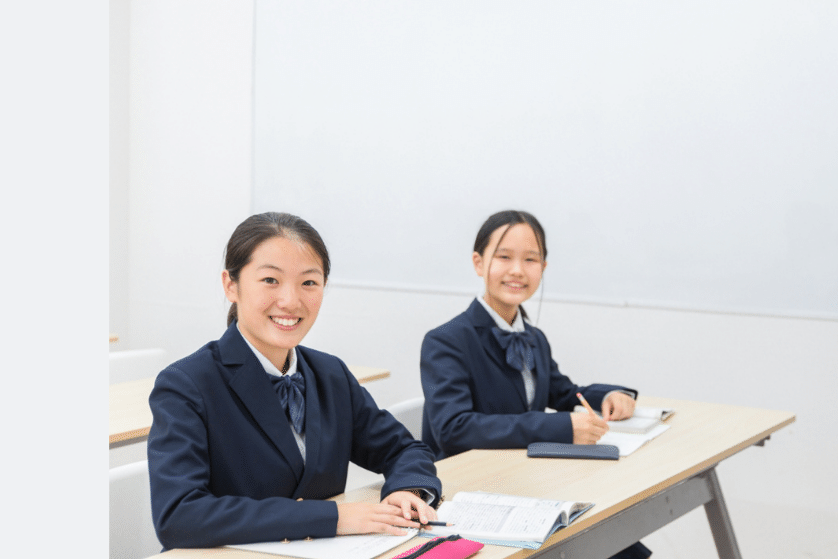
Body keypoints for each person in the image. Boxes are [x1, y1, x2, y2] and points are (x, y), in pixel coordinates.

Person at [148, 212, 441, 550]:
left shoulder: (330, 374)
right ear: (231, 285)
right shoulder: (186, 384)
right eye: (270, 280)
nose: (290, 301)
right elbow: (179, 516)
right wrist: (332, 518)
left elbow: (403, 449)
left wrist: (408, 490)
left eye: (309, 282)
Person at [420, 209, 650, 559]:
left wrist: (611, 395)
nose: (517, 270)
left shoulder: (534, 337)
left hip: (525, 481)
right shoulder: (447, 341)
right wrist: (562, 427)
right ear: (479, 263)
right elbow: (454, 429)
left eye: (530, 259)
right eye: (504, 257)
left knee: (616, 536)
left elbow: (563, 392)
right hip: (471, 492)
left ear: (543, 267)